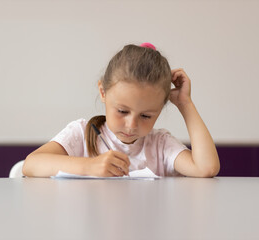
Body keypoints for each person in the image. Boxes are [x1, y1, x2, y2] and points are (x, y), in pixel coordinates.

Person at [23, 43, 220, 178]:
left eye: (146, 116)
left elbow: (206, 168)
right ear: (103, 92)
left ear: (160, 109)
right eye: (122, 111)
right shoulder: (81, 134)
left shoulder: (161, 145)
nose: (131, 125)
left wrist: (185, 104)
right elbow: (31, 164)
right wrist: (89, 166)